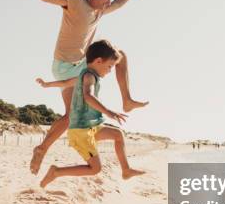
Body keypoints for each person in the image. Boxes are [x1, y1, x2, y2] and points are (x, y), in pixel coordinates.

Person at [11, 0, 148, 174]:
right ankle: (41, 149)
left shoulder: (99, 12)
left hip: (81, 63)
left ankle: (127, 100)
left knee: (120, 56)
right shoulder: (75, 3)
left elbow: (119, 3)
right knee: (71, 115)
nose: (108, 2)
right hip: (65, 65)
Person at [39, 40, 145, 188]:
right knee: (95, 169)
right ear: (98, 61)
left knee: (118, 135)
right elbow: (88, 96)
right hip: (81, 132)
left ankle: (126, 170)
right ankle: (56, 172)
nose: (109, 71)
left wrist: (47, 84)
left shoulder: (85, 75)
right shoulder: (89, 77)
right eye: (109, 67)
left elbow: (65, 83)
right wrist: (108, 112)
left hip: (91, 127)